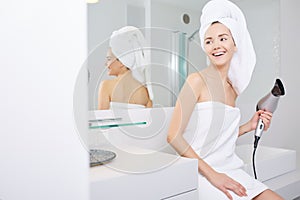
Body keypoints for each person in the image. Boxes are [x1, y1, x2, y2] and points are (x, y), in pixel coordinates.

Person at [167, 0, 283, 199]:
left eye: (223, 38)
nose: (216, 46)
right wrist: (214, 176)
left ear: (235, 43)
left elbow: (217, 138)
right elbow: (173, 136)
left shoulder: (232, 90)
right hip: (202, 173)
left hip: (231, 168)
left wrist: (248, 126)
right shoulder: (196, 81)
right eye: (209, 41)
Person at [98, 26, 153, 110]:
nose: (106, 64)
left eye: (109, 59)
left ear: (121, 62)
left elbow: (101, 120)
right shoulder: (146, 92)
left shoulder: (106, 86)